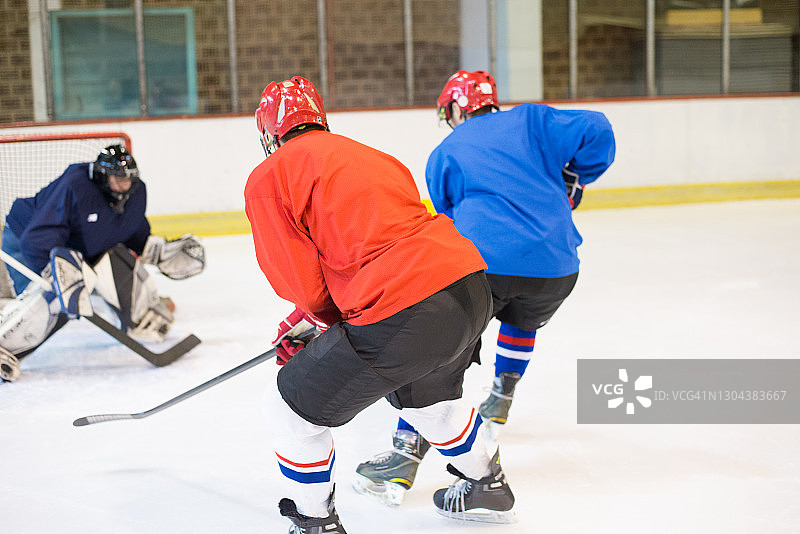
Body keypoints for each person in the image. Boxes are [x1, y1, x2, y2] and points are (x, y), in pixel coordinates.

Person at [246, 75, 516, 533]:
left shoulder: (271, 176)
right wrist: (313, 321)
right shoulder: (373, 155)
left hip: (405, 307)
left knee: (288, 410)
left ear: (271, 132)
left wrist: (317, 321)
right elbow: (379, 245)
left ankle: (315, 524)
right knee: (427, 400)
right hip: (468, 286)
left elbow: (302, 282)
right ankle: (485, 483)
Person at [354, 69, 616, 505]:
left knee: (439, 353)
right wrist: (578, 177)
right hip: (557, 267)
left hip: (484, 268)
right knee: (523, 318)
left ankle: (404, 456)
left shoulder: (446, 151)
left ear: (457, 107)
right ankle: (500, 397)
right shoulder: (533, 122)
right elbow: (598, 128)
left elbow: (449, 219)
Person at [0, 144, 206, 383]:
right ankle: (6, 344)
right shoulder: (76, 185)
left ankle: (139, 316)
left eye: (127, 179)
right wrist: (55, 275)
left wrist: (155, 250)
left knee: (110, 262)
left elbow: (130, 228)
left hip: (69, 246)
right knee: (49, 299)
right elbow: (40, 234)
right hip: (27, 240)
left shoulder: (136, 192)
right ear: (100, 176)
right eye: (116, 179)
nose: (123, 185)